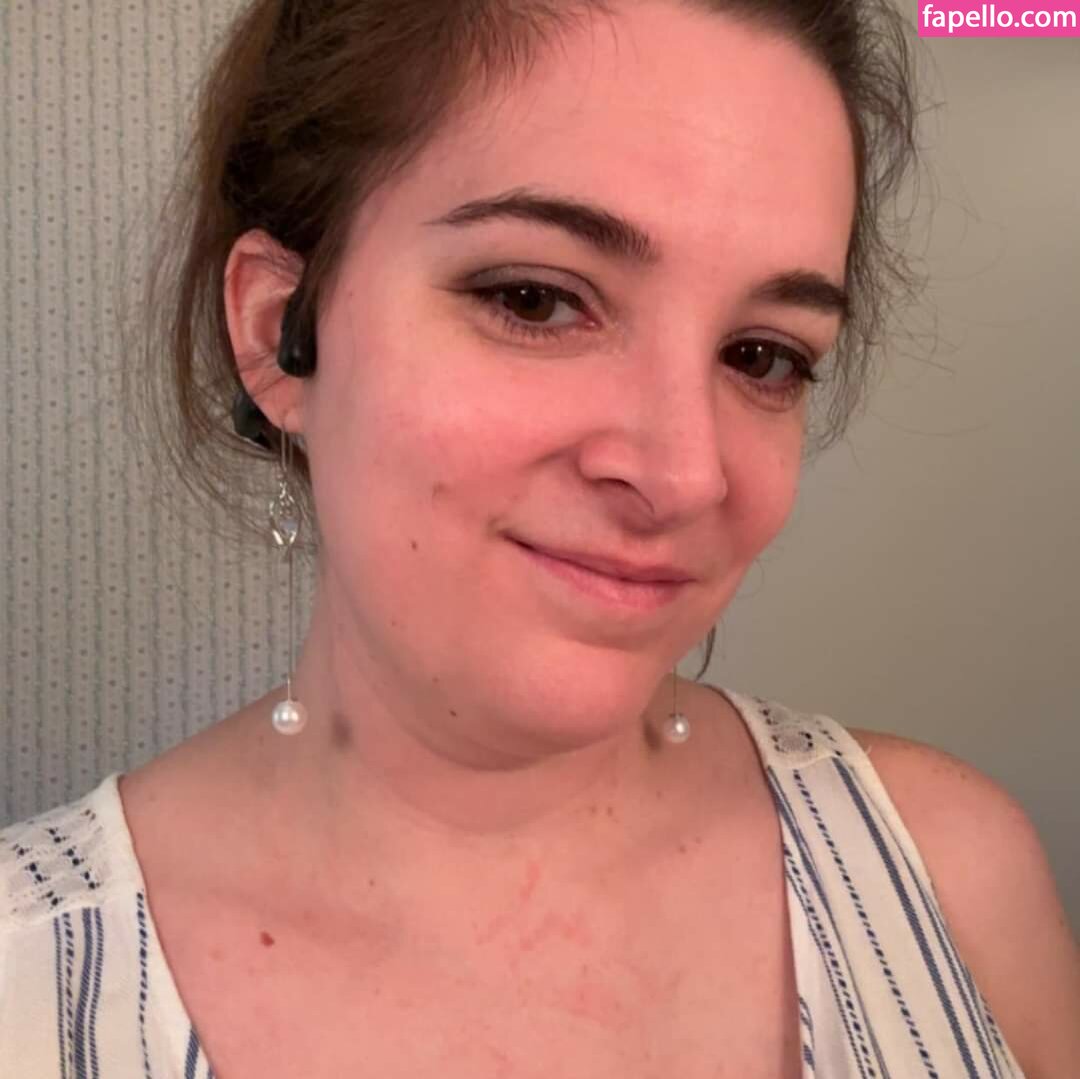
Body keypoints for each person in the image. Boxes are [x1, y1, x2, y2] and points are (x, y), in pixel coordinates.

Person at [2, 0, 1078, 1075]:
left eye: (761, 356)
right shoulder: (29, 989)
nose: (684, 475)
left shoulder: (950, 871)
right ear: (280, 335)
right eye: (535, 299)